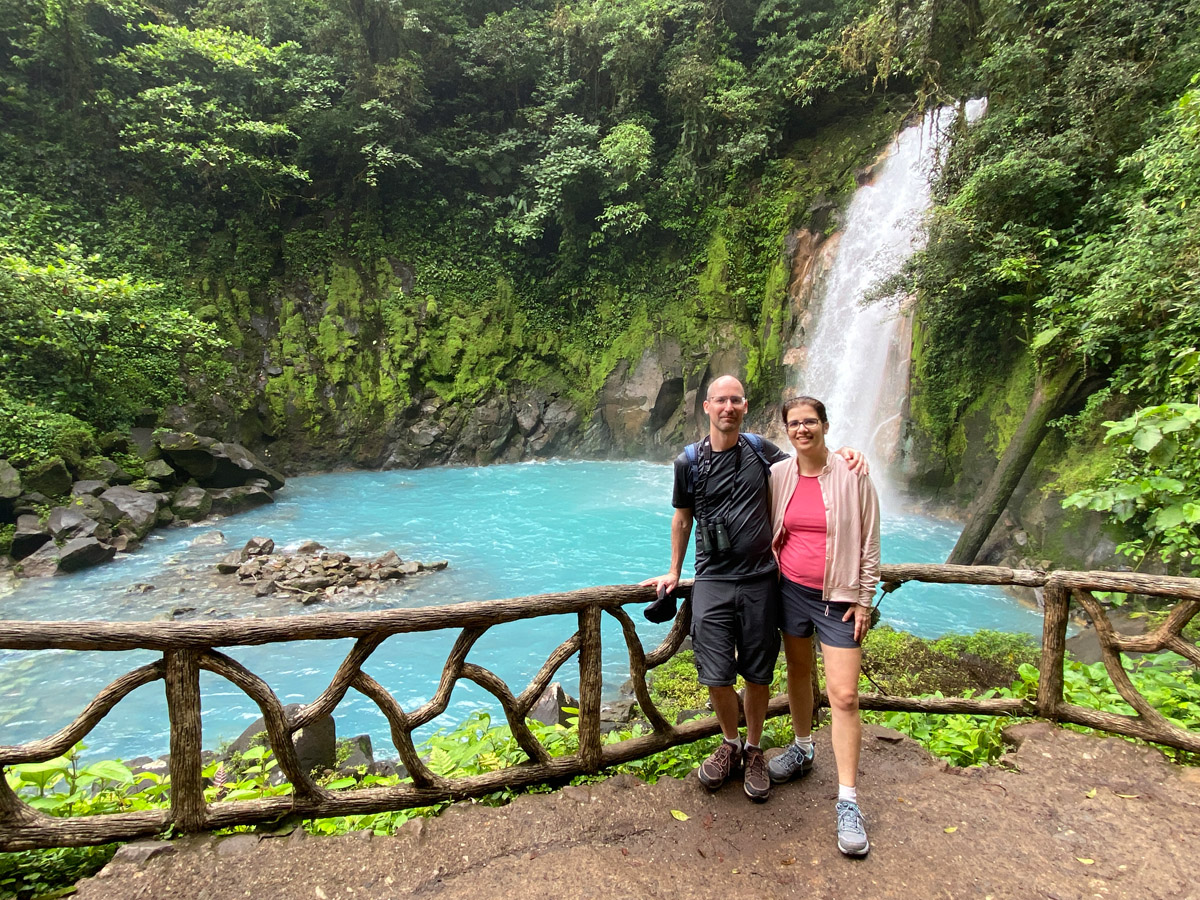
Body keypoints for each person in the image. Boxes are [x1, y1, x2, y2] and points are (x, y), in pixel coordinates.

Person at [642, 375, 865, 803]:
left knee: (759, 672)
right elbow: (682, 518)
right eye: (720, 400)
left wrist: (845, 455)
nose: (728, 406)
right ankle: (730, 742)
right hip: (711, 579)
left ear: (745, 408)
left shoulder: (762, 452)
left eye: (736, 400)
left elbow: (810, 463)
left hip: (763, 578)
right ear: (706, 407)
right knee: (716, 672)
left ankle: (755, 748)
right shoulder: (688, 462)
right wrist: (673, 570)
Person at [765, 395, 880, 856]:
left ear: (826, 426)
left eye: (810, 421)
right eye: (794, 424)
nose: (802, 429)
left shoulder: (853, 473)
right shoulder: (779, 474)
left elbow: (870, 539)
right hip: (790, 591)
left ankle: (848, 801)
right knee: (797, 673)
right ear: (786, 431)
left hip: (839, 599)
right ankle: (802, 746)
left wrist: (866, 599)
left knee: (845, 696)